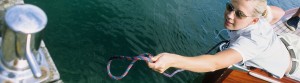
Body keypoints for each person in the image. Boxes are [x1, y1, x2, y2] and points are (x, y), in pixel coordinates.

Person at [148, 0, 300, 81]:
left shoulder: (252, 42)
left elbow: (213, 63)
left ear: (254, 20)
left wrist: (173, 60)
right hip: (287, 40)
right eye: (230, 7)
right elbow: (274, 12)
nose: (230, 15)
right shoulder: (259, 16)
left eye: (239, 14)